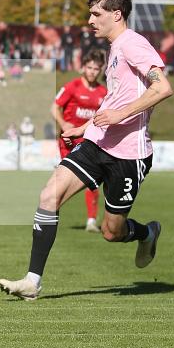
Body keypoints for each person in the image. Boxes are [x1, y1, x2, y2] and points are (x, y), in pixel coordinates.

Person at [0, 0, 173, 301]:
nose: (90, 20)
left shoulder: (134, 44)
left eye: (96, 14)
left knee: (111, 232)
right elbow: (116, 97)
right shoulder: (115, 48)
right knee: (49, 195)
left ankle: (147, 232)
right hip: (97, 144)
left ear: (116, 15)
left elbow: (162, 88)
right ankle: (32, 282)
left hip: (129, 155)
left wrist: (121, 115)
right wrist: (85, 127)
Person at [50, 48, 108, 233]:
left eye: (96, 68)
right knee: (63, 182)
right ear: (83, 67)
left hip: (89, 143)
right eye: (89, 67)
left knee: (92, 182)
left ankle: (91, 221)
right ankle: (48, 212)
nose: (92, 72)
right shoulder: (72, 87)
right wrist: (63, 124)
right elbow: (54, 107)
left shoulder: (103, 92)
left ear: (101, 70)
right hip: (68, 142)